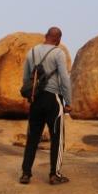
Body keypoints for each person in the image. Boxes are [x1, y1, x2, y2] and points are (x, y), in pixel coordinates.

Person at [20, 27, 72, 185]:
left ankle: (26, 174)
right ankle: (54, 175)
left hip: (36, 100)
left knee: (32, 138)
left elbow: (26, 78)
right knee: (57, 137)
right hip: (53, 99)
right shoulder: (58, 53)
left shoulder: (32, 52)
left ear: (46, 36)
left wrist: (31, 96)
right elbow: (64, 78)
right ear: (58, 40)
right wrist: (68, 102)